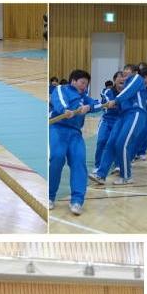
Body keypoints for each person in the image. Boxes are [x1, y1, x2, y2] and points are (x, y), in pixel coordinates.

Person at [48, 69, 105, 214]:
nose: (84, 86)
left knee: (79, 161)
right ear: (73, 81)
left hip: (75, 133)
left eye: (86, 84)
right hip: (57, 128)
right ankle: (49, 196)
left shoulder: (84, 97)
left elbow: (98, 104)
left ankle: (77, 201)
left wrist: (89, 107)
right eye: (82, 83)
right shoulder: (61, 89)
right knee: (57, 158)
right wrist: (65, 110)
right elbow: (59, 101)